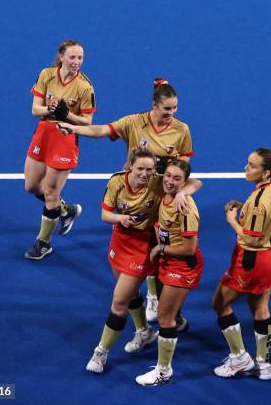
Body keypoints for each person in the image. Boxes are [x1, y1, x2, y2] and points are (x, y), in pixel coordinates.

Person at [58, 78, 193, 322]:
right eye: (167, 109)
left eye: (175, 108)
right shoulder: (133, 123)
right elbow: (102, 130)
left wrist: (179, 189)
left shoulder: (181, 130)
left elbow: (184, 168)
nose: (172, 113)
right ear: (155, 105)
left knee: (160, 250)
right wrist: (74, 128)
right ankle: (148, 299)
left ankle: (164, 307)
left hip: (163, 201)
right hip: (139, 196)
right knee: (143, 244)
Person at [85, 149, 201, 374]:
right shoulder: (117, 181)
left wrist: (182, 193)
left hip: (142, 246)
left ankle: (101, 353)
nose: (146, 173)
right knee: (131, 296)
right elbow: (105, 214)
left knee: (119, 302)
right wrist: (120, 218)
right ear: (130, 166)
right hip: (120, 241)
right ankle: (144, 332)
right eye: (140, 168)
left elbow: (195, 181)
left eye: (150, 169)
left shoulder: (159, 181)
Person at [211, 149, 271, 381]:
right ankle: (263, 364)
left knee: (220, 304)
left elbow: (252, 237)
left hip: (251, 260)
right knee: (260, 309)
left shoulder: (259, 203)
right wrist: (245, 208)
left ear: (266, 172)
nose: (246, 169)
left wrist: (232, 220)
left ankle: (239, 358)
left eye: (252, 166)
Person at [23, 39, 95, 260]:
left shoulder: (85, 86)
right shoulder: (46, 74)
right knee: (32, 186)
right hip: (44, 133)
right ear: (61, 57)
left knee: (51, 193)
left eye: (80, 57)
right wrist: (51, 109)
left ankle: (43, 243)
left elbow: (87, 122)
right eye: (72, 57)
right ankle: (66, 211)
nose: (76, 62)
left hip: (65, 137)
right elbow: (35, 109)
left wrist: (67, 115)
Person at [135, 159, 203, 386]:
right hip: (168, 261)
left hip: (181, 265)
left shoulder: (185, 207)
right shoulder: (167, 195)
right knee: (167, 314)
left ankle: (164, 372)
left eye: (177, 179)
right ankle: (177, 324)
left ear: (183, 183)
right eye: (168, 176)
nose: (170, 181)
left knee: (164, 316)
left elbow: (189, 248)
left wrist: (161, 248)